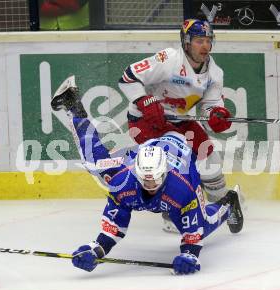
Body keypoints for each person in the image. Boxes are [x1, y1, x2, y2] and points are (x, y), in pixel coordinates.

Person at [51, 76, 244, 274]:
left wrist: (189, 254)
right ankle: (73, 106)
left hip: (182, 150)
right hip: (149, 145)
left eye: (155, 179)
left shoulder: (183, 188)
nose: (150, 184)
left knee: (204, 223)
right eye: (145, 178)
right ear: (137, 172)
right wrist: (96, 249)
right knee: (95, 164)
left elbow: (194, 234)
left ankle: (229, 202)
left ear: (165, 173)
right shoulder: (123, 181)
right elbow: (114, 227)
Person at [118, 19, 232, 204]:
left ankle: (220, 200)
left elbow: (210, 107)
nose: (205, 46)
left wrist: (216, 115)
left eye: (208, 40)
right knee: (175, 156)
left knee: (209, 153)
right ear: (186, 42)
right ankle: (171, 210)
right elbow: (128, 77)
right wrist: (143, 100)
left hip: (179, 120)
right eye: (198, 41)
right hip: (145, 121)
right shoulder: (169, 59)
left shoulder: (215, 74)